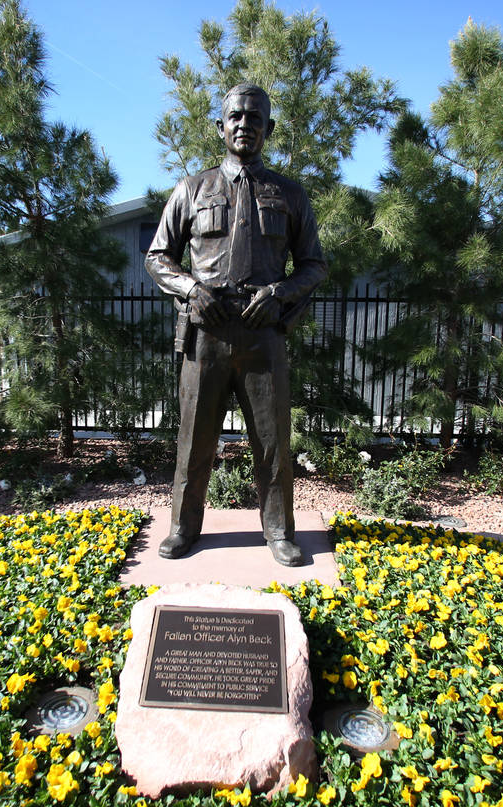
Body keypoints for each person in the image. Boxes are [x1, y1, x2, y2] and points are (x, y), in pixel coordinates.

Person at [145, 82, 327, 567]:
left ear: (268, 128)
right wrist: (190, 289)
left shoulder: (289, 194)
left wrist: (279, 293)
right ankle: (183, 527)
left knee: (271, 440)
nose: (245, 124)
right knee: (194, 437)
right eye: (235, 116)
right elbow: (158, 256)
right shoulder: (192, 189)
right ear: (220, 126)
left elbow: (314, 264)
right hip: (205, 333)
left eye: (255, 117)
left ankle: (279, 531)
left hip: (262, 334)